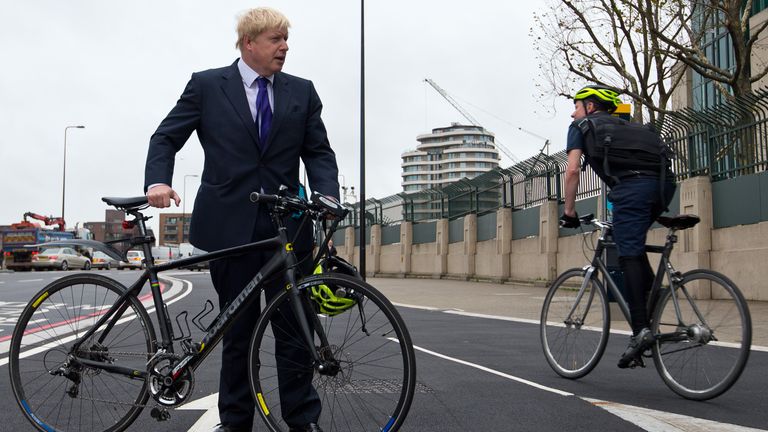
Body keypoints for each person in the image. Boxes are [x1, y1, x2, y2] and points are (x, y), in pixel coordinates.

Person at [144, 7, 339, 432]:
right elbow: (166, 136)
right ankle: (235, 423)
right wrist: (158, 181)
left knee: (296, 331)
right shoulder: (208, 85)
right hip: (230, 230)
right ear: (249, 43)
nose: (285, 47)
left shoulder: (302, 92)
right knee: (239, 333)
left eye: (286, 39)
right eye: (275, 39)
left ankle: (302, 421)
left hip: (288, 229)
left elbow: (319, 152)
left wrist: (326, 195)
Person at [560, 84, 675, 369]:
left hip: (632, 191)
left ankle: (640, 331)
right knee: (632, 243)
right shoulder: (632, 127)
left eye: (576, 105)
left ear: (590, 106)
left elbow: (573, 170)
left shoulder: (582, 126)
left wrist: (569, 211)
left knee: (628, 252)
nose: (572, 112)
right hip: (664, 186)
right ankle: (653, 294)